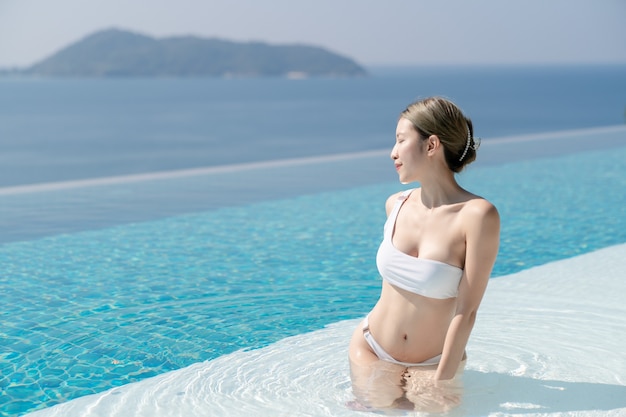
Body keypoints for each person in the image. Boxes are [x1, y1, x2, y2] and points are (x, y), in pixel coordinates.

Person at [348, 96, 500, 411]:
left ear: (431, 145)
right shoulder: (395, 204)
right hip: (372, 349)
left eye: (401, 140)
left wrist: (442, 381)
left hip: (435, 363)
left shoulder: (477, 215)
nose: (392, 152)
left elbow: (467, 311)